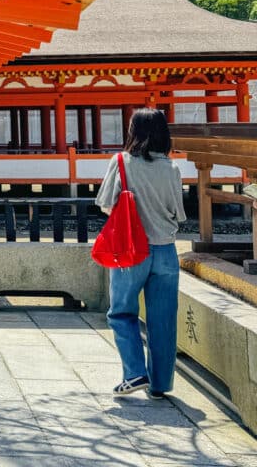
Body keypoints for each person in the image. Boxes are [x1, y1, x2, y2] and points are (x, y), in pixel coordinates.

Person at [96, 108, 185, 400]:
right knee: (163, 320)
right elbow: (179, 214)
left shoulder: (121, 162)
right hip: (166, 251)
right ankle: (160, 384)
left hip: (131, 251)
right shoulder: (172, 168)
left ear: (134, 131)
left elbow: (107, 204)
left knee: (122, 312)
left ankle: (134, 373)